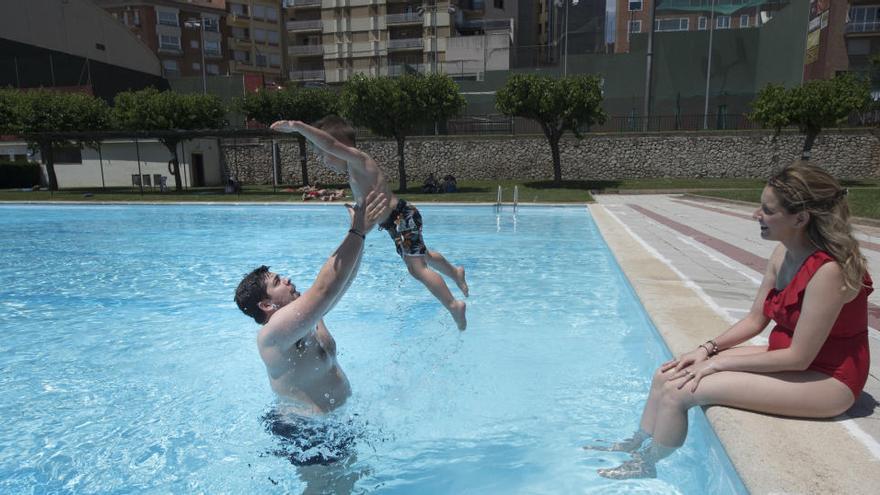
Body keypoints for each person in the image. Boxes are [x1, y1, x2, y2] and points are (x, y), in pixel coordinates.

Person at [590, 161, 873, 479]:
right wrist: (706, 350)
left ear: (800, 218)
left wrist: (716, 365)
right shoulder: (783, 254)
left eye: (767, 210)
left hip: (829, 379)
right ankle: (637, 443)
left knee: (679, 392)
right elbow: (755, 320)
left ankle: (648, 465)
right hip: (794, 358)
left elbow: (799, 357)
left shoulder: (828, 271)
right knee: (668, 373)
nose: (756, 216)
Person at [270, 116, 469, 330]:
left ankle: (453, 305)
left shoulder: (359, 160)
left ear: (340, 147)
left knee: (417, 268)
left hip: (401, 216)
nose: (322, 160)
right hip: (395, 222)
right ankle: (455, 273)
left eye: (322, 154)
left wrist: (297, 127)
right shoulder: (353, 171)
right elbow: (367, 206)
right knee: (424, 256)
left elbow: (329, 143)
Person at [234, 190, 390, 414]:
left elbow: (339, 284)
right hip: (301, 433)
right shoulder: (271, 335)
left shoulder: (308, 319)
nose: (287, 279)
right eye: (278, 282)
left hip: (335, 424)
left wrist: (361, 235)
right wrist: (355, 231)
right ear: (266, 305)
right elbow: (324, 289)